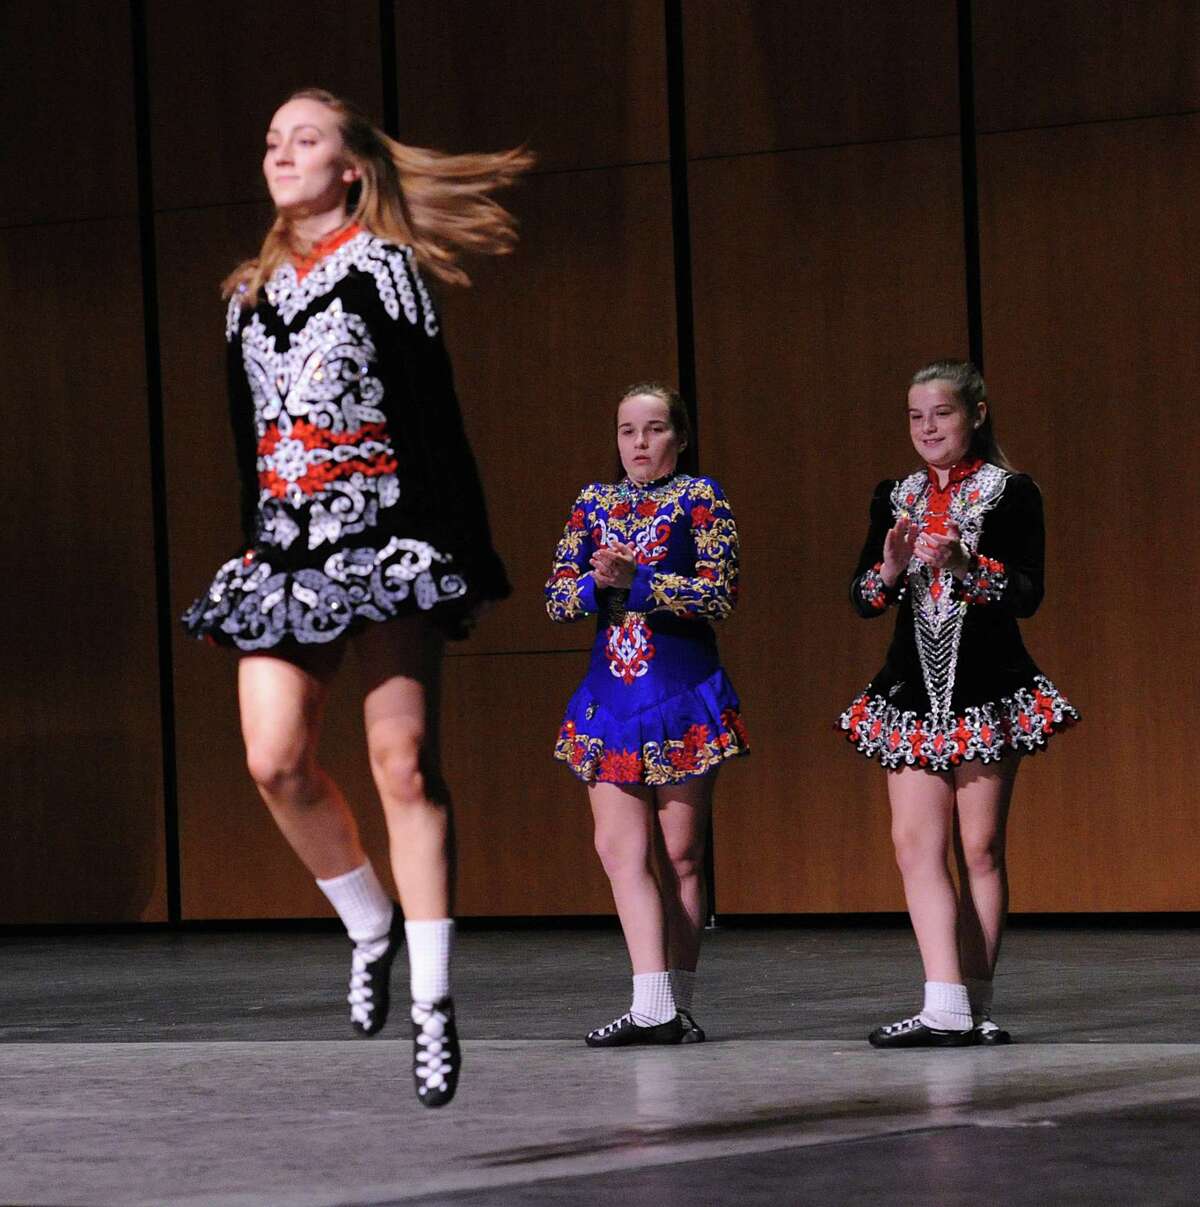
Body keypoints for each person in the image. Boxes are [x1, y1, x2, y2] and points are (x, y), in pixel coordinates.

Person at [181, 87, 532, 1106]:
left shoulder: (388, 274)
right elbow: (251, 447)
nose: (283, 153)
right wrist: (257, 550)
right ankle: (368, 921)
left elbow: (434, 421)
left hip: (389, 541)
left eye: (307, 139)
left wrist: (458, 556)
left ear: (350, 169)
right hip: (287, 551)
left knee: (403, 764)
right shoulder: (245, 290)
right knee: (274, 759)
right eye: (272, 139)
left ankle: (432, 1006)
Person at [839, 360, 1079, 1047]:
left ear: (975, 413)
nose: (927, 428)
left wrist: (968, 568)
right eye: (915, 416)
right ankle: (941, 1001)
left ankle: (973, 1001)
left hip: (986, 688)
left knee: (979, 847)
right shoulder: (895, 495)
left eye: (940, 413)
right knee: (915, 843)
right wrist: (887, 570)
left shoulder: (1012, 492)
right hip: (911, 692)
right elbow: (861, 600)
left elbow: (1029, 593)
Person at [546, 383, 749, 1046]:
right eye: (627, 430)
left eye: (654, 429)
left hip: (678, 691)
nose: (639, 443)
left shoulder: (702, 498)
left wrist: (641, 581)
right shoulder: (591, 504)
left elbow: (719, 593)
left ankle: (676, 1003)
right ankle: (651, 1004)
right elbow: (556, 598)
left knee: (681, 854)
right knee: (617, 847)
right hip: (610, 697)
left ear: (679, 436)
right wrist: (594, 585)